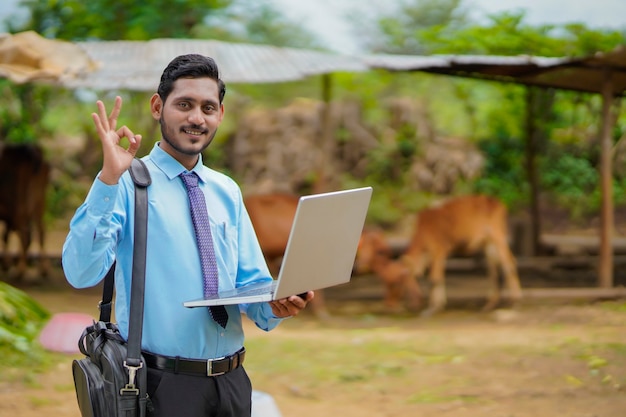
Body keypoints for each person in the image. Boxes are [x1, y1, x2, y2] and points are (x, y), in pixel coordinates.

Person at [62, 53, 314, 417]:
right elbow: (79, 272)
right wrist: (107, 180)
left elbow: (252, 286)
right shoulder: (126, 183)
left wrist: (277, 303)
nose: (197, 118)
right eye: (185, 105)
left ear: (220, 115)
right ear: (157, 107)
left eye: (208, 107)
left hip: (232, 383)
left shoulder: (227, 190)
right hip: (162, 386)